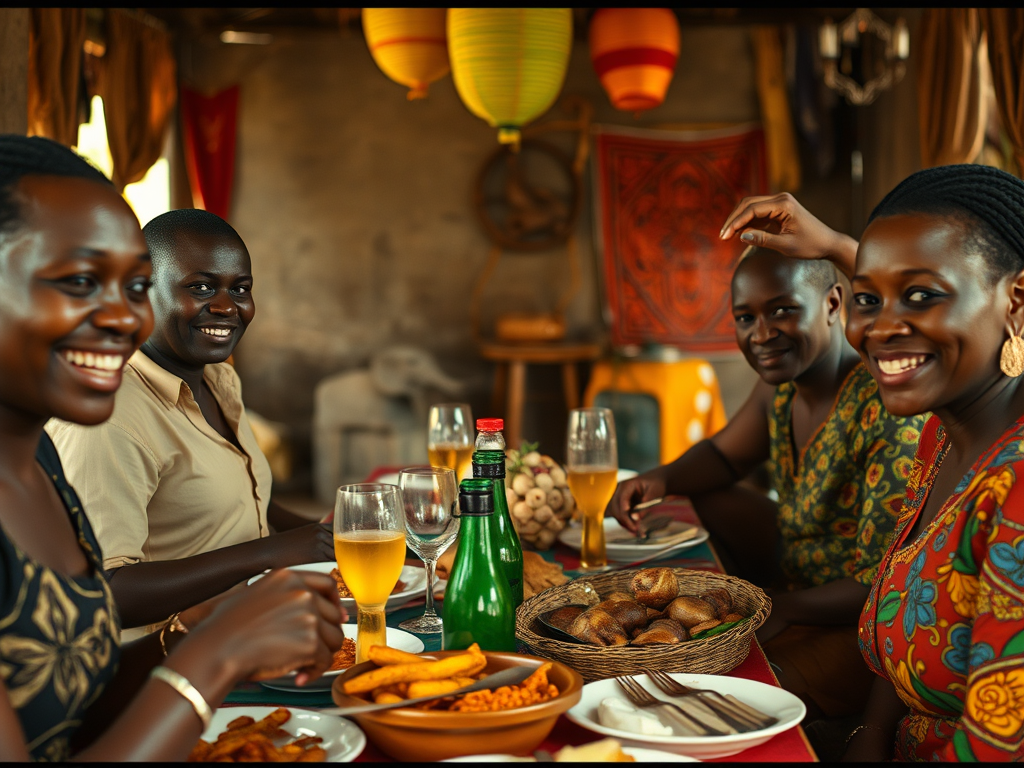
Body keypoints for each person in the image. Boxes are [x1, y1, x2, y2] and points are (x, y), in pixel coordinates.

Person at [0, 135, 345, 761]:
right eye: (79, 280)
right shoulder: (93, 430)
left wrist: (197, 634)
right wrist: (215, 652)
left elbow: (73, 711)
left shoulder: (36, 466)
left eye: (132, 286)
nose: (124, 318)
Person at [722, 166, 1024, 761]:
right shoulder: (941, 436)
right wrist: (871, 736)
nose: (879, 329)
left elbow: (996, 744)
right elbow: (896, 611)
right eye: (867, 300)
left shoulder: (1013, 490)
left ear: (1015, 302)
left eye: (921, 296)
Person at [607, 246, 926, 721]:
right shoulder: (781, 385)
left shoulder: (885, 408)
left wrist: (780, 607)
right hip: (794, 571)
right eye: (745, 317)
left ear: (833, 304)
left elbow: (884, 582)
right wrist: (660, 478)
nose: (761, 334)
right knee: (705, 493)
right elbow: (724, 457)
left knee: (730, 694)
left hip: (857, 618)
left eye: (782, 311)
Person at [47, 209, 334, 632]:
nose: (226, 306)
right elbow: (103, 593)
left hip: (252, 630)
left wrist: (333, 535)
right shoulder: (107, 418)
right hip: (166, 660)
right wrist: (268, 553)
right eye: (201, 287)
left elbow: (243, 500)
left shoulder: (218, 379)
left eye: (240, 289)